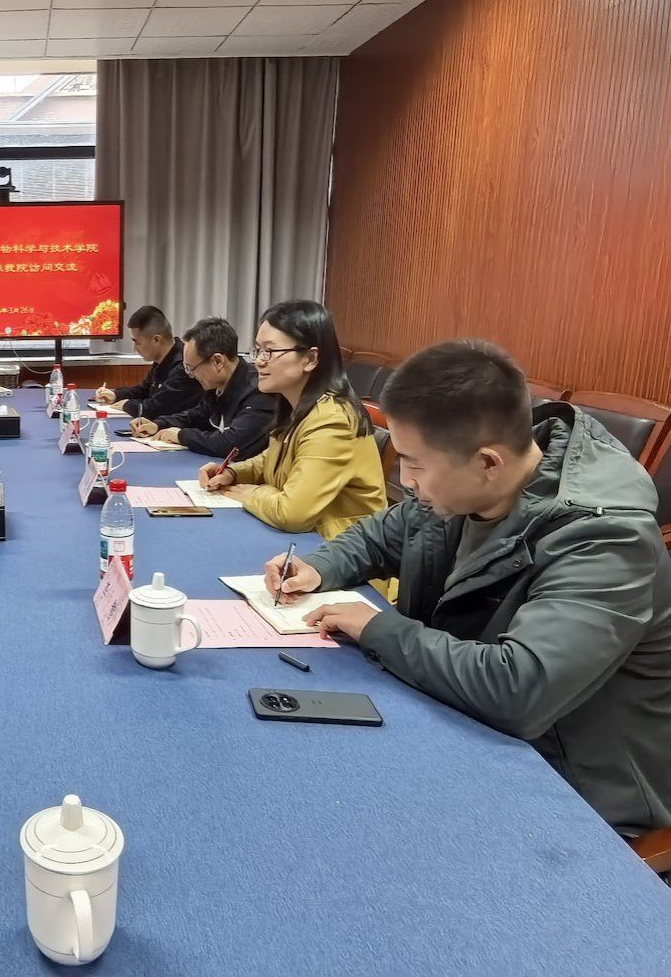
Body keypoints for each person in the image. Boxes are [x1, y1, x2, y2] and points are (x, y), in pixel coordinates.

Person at [267, 340, 671, 837]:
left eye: (414, 463)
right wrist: (316, 567)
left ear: (488, 463)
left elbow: (518, 690)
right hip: (464, 723)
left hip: (575, 790)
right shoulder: (458, 492)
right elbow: (379, 536)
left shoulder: (605, 541)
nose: (405, 479)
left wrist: (378, 628)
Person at [200, 301, 385, 538]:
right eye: (258, 350)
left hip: (343, 550)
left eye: (270, 351)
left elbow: (292, 514)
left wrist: (251, 493)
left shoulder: (332, 420)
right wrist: (233, 473)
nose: (259, 361)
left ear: (310, 359)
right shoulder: (297, 405)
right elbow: (274, 459)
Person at [130, 316, 275, 459]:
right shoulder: (216, 387)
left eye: (192, 368)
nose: (191, 376)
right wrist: (159, 424)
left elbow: (231, 444)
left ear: (218, 361)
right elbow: (194, 417)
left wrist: (181, 436)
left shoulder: (259, 390)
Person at [93, 305, 200, 420]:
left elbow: (157, 408)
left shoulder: (184, 365)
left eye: (137, 342)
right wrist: (116, 395)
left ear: (156, 340)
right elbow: (143, 390)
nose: (134, 349)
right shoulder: (163, 359)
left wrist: (128, 405)